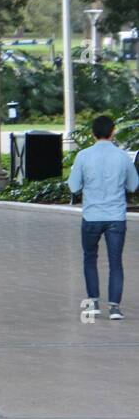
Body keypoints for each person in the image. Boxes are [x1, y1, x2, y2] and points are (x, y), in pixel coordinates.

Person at [68, 115, 138, 320]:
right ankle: (115, 308)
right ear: (113, 131)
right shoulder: (123, 156)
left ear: (92, 133)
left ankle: (93, 304)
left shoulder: (83, 156)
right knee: (115, 262)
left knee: (90, 259)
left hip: (91, 216)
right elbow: (133, 185)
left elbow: (73, 186)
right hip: (116, 216)